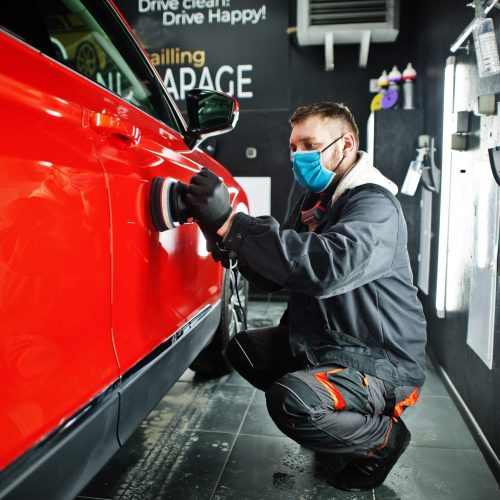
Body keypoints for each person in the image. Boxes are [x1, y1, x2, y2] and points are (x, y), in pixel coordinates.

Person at [185, 101, 427, 492]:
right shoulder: (316, 199)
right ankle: (337, 421)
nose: (298, 157)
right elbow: (283, 274)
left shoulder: (375, 206)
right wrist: (221, 233)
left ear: (345, 144)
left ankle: (381, 438)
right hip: (329, 341)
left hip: (380, 360)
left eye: (309, 144)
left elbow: (326, 267)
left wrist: (235, 223)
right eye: (294, 147)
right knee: (244, 351)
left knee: (291, 402)